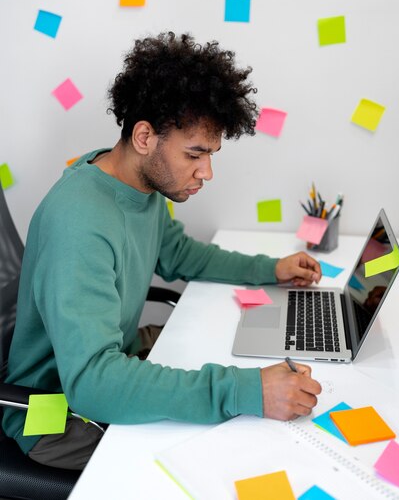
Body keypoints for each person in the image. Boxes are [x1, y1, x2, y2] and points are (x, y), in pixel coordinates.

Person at [3, 32, 322, 470]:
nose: (207, 171)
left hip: (113, 357)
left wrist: (272, 269)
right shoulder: (79, 221)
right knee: (216, 456)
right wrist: (247, 391)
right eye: (195, 154)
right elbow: (93, 383)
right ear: (144, 137)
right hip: (53, 411)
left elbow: (180, 256)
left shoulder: (141, 186)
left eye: (210, 154)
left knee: (227, 352)